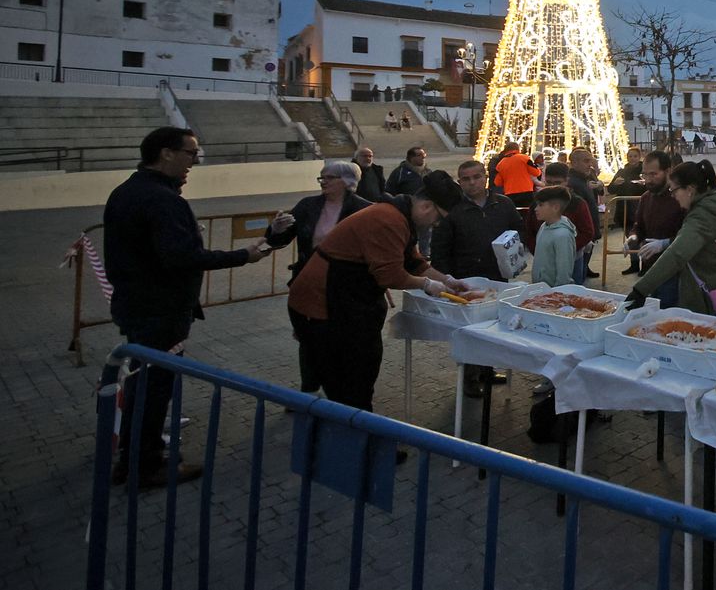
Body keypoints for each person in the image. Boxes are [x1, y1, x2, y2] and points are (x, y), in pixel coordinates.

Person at [104, 127, 271, 488]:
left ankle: (135, 456)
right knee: (153, 387)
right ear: (166, 153)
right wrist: (244, 255)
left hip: (137, 305)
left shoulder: (127, 191)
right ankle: (144, 464)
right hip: (159, 310)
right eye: (190, 153)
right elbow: (180, 257)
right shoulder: (162, 200)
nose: (194, 161)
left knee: (142, 383)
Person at [288, 172, 469, 414]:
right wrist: (427, 285)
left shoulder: (400, 215)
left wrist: (446, 280)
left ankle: (362, 432)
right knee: (347, 380)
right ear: (427, 206)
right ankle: (353, 437)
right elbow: (390, 275)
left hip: (351, 304)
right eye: (438, 219)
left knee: (363, 370)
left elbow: (412, 261)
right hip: (323, 305)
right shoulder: (388, 219)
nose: (435, 225)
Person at [264, 160, 371, 393]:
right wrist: (276, 229)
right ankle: (309, 388)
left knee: (337, 337)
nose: (323, 182)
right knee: (308, 337)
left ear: (346, 181)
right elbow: (280, 240)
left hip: (345, 287)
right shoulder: (307, 206)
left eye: (329, 178)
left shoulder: (364, 210)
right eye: (321, 177)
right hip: (308, 282)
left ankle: (339, 388)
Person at [433, 159, 524, 394]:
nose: (472, 182)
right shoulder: (453, 210)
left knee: (492, 327)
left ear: (485, 177)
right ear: (459, 182)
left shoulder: (503, 204)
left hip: (496, 277)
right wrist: (446, 278)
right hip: (466, 279)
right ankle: (469, 377)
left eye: (476, 177)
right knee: (469, 331)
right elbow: (440, 248)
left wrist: (515, 258)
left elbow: (517, 232)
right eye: (466, 179)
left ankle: (487, 370)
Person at [629, 160, 716, 313]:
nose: (673, 196)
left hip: (706, 296)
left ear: (690, 189)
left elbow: (677, 254)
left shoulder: (701, 217)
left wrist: (641, 290)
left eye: (674, 190)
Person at [527, 162, 595, 284]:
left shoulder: (577, 203)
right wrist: (539, 250)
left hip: (573, 258)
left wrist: (570, 248)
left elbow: (587, 231)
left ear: (566, 181)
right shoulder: (538, 204)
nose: (552, 187)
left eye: (557, 183)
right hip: (544, 261)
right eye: (549, 182)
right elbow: (529, 230)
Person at [624, 151, 685, 281]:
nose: (648, 180)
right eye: (645, 174)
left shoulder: (681, 198)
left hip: (676, 269)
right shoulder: (646, 197)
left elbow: (690, 236)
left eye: (653, 174)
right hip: (651, 268)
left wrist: (664, 244)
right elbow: (639, 225)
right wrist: (633, 237)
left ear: (668, 171)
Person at [566, 147, 603, 282]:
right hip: (581, 236)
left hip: (587, 232)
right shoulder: (573, 183)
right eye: (586, 161)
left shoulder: (583, 180)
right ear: (574, 163)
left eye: (591, 161)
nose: (590, 164)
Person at [529, 186, 577, 287]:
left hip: (553, 292)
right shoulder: (543, 226)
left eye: (540, 205)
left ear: (556, 207)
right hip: (541, 289)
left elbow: (564, 270)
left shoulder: (563, 235)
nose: (536, 209)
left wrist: (557, 293)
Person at [607, 147, 645, 229]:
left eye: (635, 156)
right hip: (625, 209)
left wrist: (644, 184)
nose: (632, 159)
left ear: (639, 157)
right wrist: (615, 184)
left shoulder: (644, 171)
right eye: (630, 156)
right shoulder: (622, 172)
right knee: (628, 231)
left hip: (641, 206)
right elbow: (610, 189)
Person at [492, 141, 539, 207]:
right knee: (526, 213)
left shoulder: (501, 164)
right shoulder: (524, 158)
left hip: (510, 194)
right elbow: (536, 172)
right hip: (526, 192)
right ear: (518, 149)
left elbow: (497, 182)